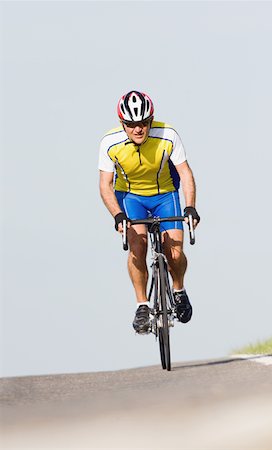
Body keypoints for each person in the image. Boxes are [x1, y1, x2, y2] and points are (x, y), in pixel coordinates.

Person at [98, 90, 200, 333]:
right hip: (130, 198)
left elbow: (185, 173)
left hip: (165, 195)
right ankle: (142, 305)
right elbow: (105, 185)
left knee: (174, 253)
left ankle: (178, 289)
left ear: (151, 121)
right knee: (138, 247)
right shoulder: (109, 143)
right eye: (132, 124)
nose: (138, 129)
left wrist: (190, 207)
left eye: (143, 123)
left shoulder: (168, 135)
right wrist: (117, 215)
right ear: (122, 123)